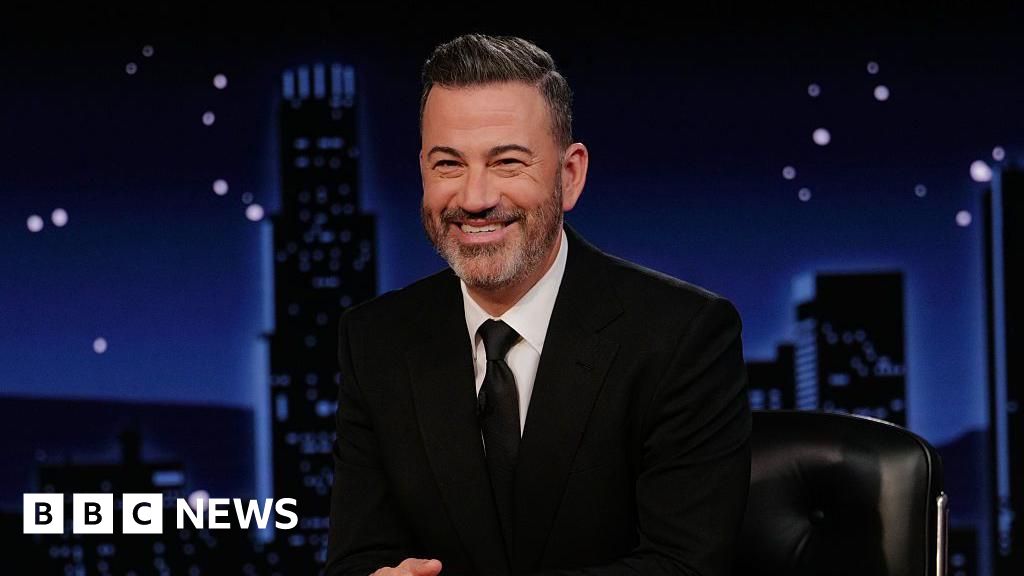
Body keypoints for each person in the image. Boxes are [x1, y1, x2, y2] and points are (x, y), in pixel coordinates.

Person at [325, 34, 751, 576]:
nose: (475, 198)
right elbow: (356, 557)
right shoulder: (375, 341)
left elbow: (684, 566)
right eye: (448, 165)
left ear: (569, 176)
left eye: (507, 162)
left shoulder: (683, 336)